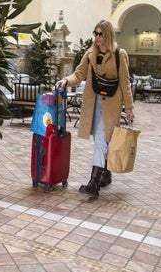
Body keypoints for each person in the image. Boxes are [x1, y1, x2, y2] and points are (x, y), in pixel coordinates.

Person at [56, 20, 135, 199]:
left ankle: (94, 183)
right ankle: (105, 173)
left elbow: (125, 81)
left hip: (111, 105)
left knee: (101, 139)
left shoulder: (119, 54)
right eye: (96, 33)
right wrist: (66, 80)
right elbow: (79, 73)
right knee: (102, 140)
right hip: (94, 102)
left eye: (101, 34)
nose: (97, 37)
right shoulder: (90, 53)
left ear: (108, 34)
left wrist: (129, 107)